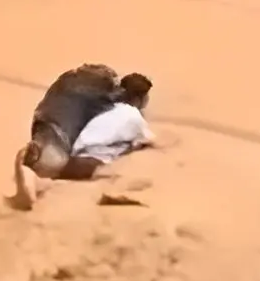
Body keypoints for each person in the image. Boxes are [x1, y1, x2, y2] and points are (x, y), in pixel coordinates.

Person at [9, 69, 156, 210]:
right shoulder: (134, 117)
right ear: (139, 98)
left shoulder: (105, 109)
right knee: (132, 163)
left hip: (72, 159)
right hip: (92, 164)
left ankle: (34, 179)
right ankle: (39, 184)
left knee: (56, 174)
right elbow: (151, 141)